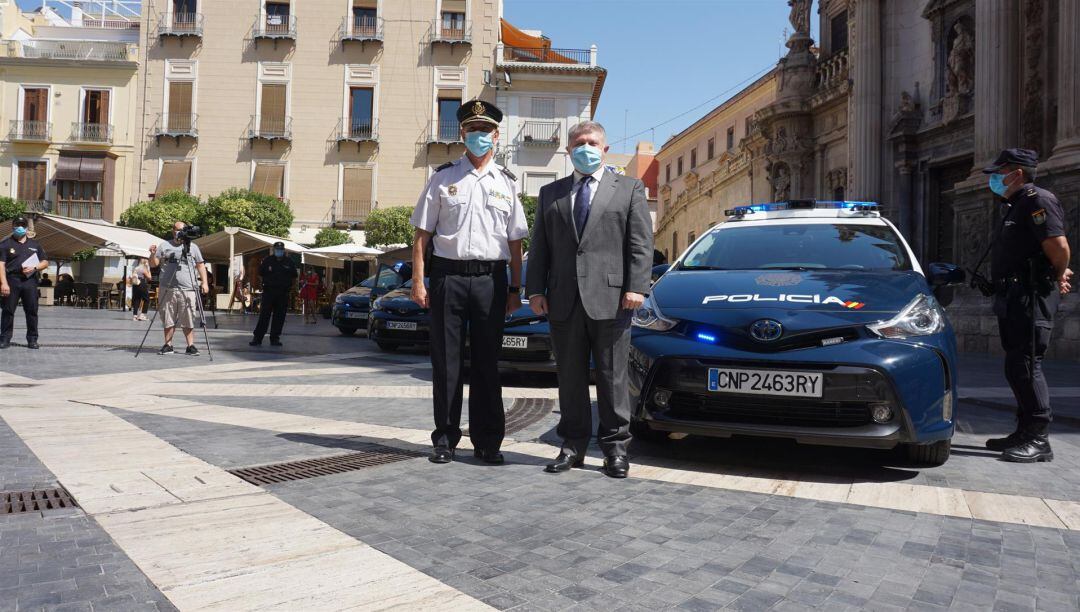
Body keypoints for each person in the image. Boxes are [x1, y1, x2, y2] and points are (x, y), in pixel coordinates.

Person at [526, 121, 654, 478]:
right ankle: (572, 446)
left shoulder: (629, 189)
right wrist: (534, 289)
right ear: (569, 151)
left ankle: (615, 450)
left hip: (613, 299)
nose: (586, 147)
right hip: (563, 299)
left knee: (613, 377)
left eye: (592, 142)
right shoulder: (551, 193)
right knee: (569, 377)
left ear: (605, 149)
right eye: (579, 143)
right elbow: (540, 246)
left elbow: (640, 244)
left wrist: (637, 287)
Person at [410, 99, 527, 465]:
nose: (479, 137)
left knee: (487, 364)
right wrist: (418, 280)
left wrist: (514, 288)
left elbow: (515, 242)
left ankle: (488, 441)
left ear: (496, 135)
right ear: (462, 134)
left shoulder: (507, 183)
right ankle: (445, 438)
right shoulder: (442, 178)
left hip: (491, 281)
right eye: (472, 130)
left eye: (485, 131)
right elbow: (421, 236)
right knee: (446, 362)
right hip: (448, 278)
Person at [982, 148, 1073, 462]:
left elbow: (1059, 246)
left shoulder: (1038, 200)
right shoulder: (1016, 204)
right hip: (1014, 297)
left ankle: (1038, 438)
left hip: (1031, 297)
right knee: (1016, 365)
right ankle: (1023, 431)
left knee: (1027, 364)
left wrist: (1058, 275)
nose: (994, 178)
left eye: (999, 171)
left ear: (1016, 172)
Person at [149, 221, 209, 356]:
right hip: (168, 288)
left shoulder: (193, 247)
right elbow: (154, 264)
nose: (179, 232)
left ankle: (190, 346)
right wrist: (152, 254)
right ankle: (168, 345)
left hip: (188, 288)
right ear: (172, 230)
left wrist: (204, 282)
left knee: (188, 316)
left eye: (182, 230)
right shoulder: (164, 246)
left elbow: (200, 265)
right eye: (177, 229)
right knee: (168, 317)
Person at [0, 217, 50, 349]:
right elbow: (1, 265)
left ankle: (32, 339)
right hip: (12, 280)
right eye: (18, 225)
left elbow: (45, 262)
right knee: (8, 311)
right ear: (13, 226)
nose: (20, 227)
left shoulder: (35, 245)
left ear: (27, 228)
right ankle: (5, 339)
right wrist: (3, 283)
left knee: (32, 311)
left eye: (23, 225)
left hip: (30, 281)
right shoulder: (5, 244)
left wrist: (35, 268)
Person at [250, 241, 297, 347]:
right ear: (274, 249)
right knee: (264, 316)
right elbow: (260, 274)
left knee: (279, 317)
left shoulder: (289, 262)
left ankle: (275, 338)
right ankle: (257, 338)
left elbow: (294, 277)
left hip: (283, 293)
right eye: (277, 249)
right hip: (269, 292)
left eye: (280, 249)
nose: (279, 251)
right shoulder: (268, 260)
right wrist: (262, 285)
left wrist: (292, 289)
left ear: (283, 250)